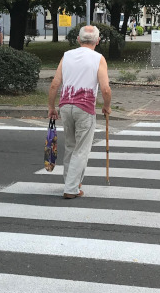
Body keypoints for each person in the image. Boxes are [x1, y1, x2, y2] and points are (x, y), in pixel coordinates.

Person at [48, 25, 112, 199]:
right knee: (81, 149)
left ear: (78, 39)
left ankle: (72, 181)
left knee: (70, 145)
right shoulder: (98, 58)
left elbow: (55, 84)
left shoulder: (67, 56)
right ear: (98, 41)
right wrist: (106, 106)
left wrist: (51, 107)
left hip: (65, 106)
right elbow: (105, 89)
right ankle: (71, 187)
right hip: (85, 107)